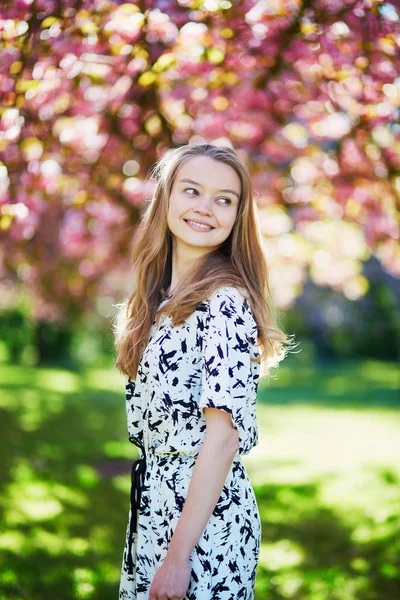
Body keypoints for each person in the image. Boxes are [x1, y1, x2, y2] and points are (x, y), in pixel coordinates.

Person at [113, 143, 294, 600]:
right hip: (155, 508)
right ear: (167, 198)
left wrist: (178, 557)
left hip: (203, 527)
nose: (205, 208)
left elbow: (224, 435)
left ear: (237, 216)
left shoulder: (225, 304)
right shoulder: (159, 300)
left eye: (224, 199)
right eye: (192, 190)